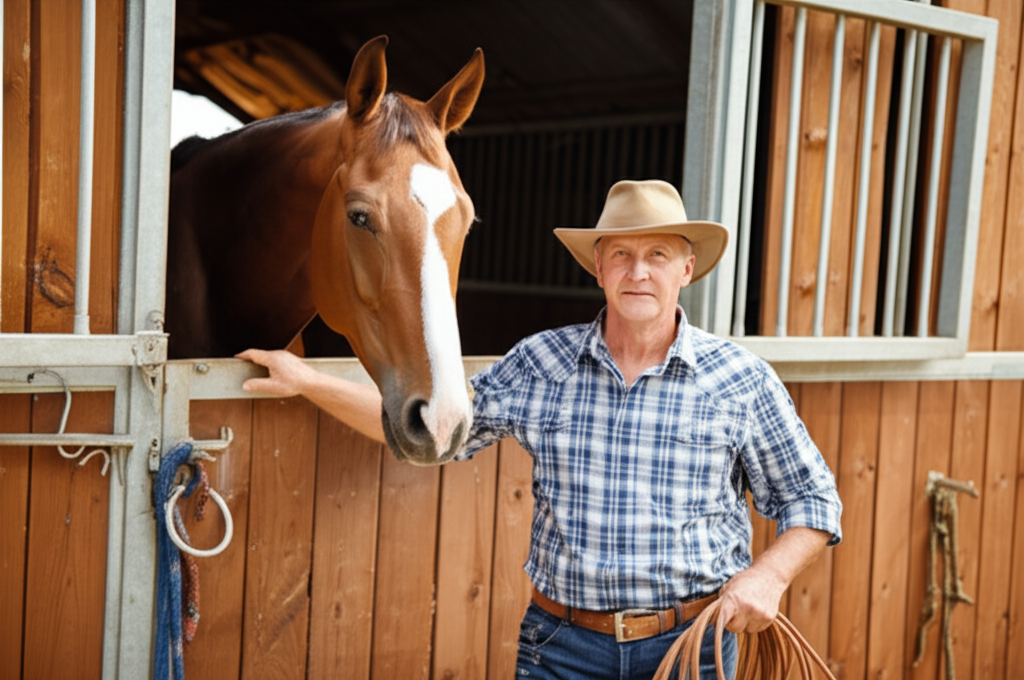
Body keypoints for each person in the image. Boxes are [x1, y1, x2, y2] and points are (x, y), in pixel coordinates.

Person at [238, 179, 842, 680]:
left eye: (657, 255)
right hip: (564, 647)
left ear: (686, 269)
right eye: (622, 256)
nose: (639, 272)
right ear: (598, 267)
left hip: (691, 647)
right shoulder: (541, 363)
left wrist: (768, 576)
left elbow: (812, 499)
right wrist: (307, 381)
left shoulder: (739, 378)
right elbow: (436, 434)